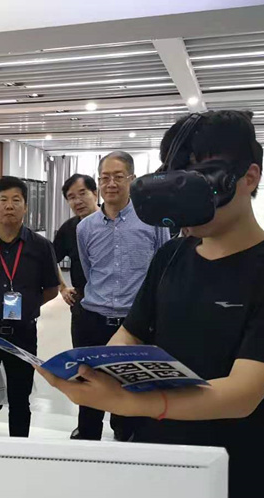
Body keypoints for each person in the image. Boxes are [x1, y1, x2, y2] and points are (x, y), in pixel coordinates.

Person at [37, 110, 264, 498]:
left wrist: (128, 402)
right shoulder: (171, 256)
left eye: (200, 177)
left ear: (250, 177)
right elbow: (129, 335)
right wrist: (89, 369)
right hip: (155, 479)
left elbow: (241, 394)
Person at [71, 151, 170, 441]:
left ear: (132, 180)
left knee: (131, 390)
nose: (111, 184)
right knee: (89, 387)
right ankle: (87, 438)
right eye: (105, 178)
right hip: (93, 320)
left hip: (135, 322)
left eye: (118, 177)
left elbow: (162, 268)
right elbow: (89, 271)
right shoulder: (85, 227)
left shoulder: (153, 222)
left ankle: (125, 438)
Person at [0, 176, 60, 437]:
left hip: (22, 336)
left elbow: (51, 289)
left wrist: (27, 308)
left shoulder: (41, 247)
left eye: (16, 200)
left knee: (20, 397)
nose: (9, 206)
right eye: (3, 200)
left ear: (26, 207)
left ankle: (20, 448)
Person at [53, 174, 99, 345]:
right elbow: (51, 259)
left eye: (82, 193)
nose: (78, 201)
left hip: (116, 303)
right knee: (82, 354)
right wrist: (62, 288)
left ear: (95, 194)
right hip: (82, 302)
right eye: (71, 197)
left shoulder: (114, 223)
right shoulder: (69, 229)